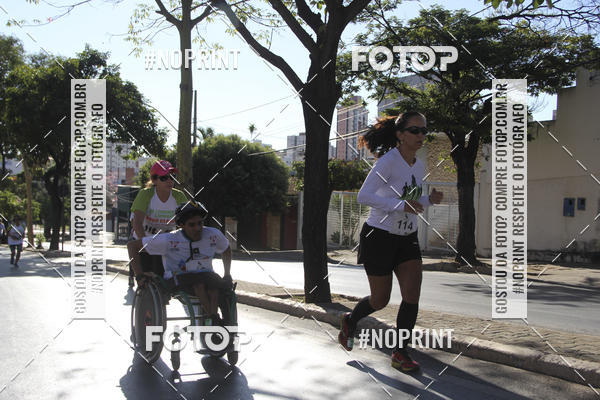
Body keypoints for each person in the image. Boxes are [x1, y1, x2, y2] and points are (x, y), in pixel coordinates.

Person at [338, 111, 443, 373]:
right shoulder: (388, 162)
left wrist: (429, 200)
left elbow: (410, 200)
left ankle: (400, 352)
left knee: (412, 294)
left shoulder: (419, 165)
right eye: (415, 130)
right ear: (400, 135)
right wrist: (400, 205)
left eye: (424, 130)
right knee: (380, 299)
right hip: (379, 236)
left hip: (407, 237)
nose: (421, 135)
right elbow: (364, 196)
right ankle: (351, 320)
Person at [128, 202, 233, 323]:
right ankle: (213, 317)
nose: (198, 228)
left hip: (206, 275)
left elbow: (226, 249)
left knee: (215, 287)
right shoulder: (169, 239)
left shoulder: (213, 234)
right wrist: (139, 275)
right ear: (181, 225)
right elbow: (132, 246)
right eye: (192, 225)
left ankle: (215, 318)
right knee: (199, 285)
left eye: (200, 223)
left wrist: (227, 274)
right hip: (178, 277)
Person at [127, 160, 188, 287]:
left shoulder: (179, 196)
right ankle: (138, 282)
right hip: (143, 238)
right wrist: (146, 245)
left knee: (165, 282)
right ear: (154, 180)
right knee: (147, 279)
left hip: (165, 243)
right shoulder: (145, 194)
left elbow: (186, 223)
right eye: (164, 178)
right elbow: (137, 223)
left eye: (172, 177)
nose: (169, 181)